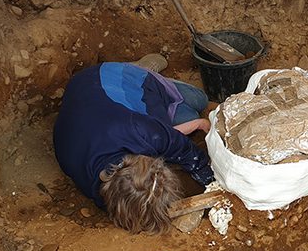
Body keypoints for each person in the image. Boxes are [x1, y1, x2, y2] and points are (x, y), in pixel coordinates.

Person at [53, 62, 215, 234]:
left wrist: (207, 175)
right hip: (86, 94)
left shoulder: (139, 130)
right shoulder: (92, 186)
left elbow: (178, 145)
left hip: (114, 78)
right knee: (186, 116)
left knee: (199, 101)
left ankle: (145, 70)